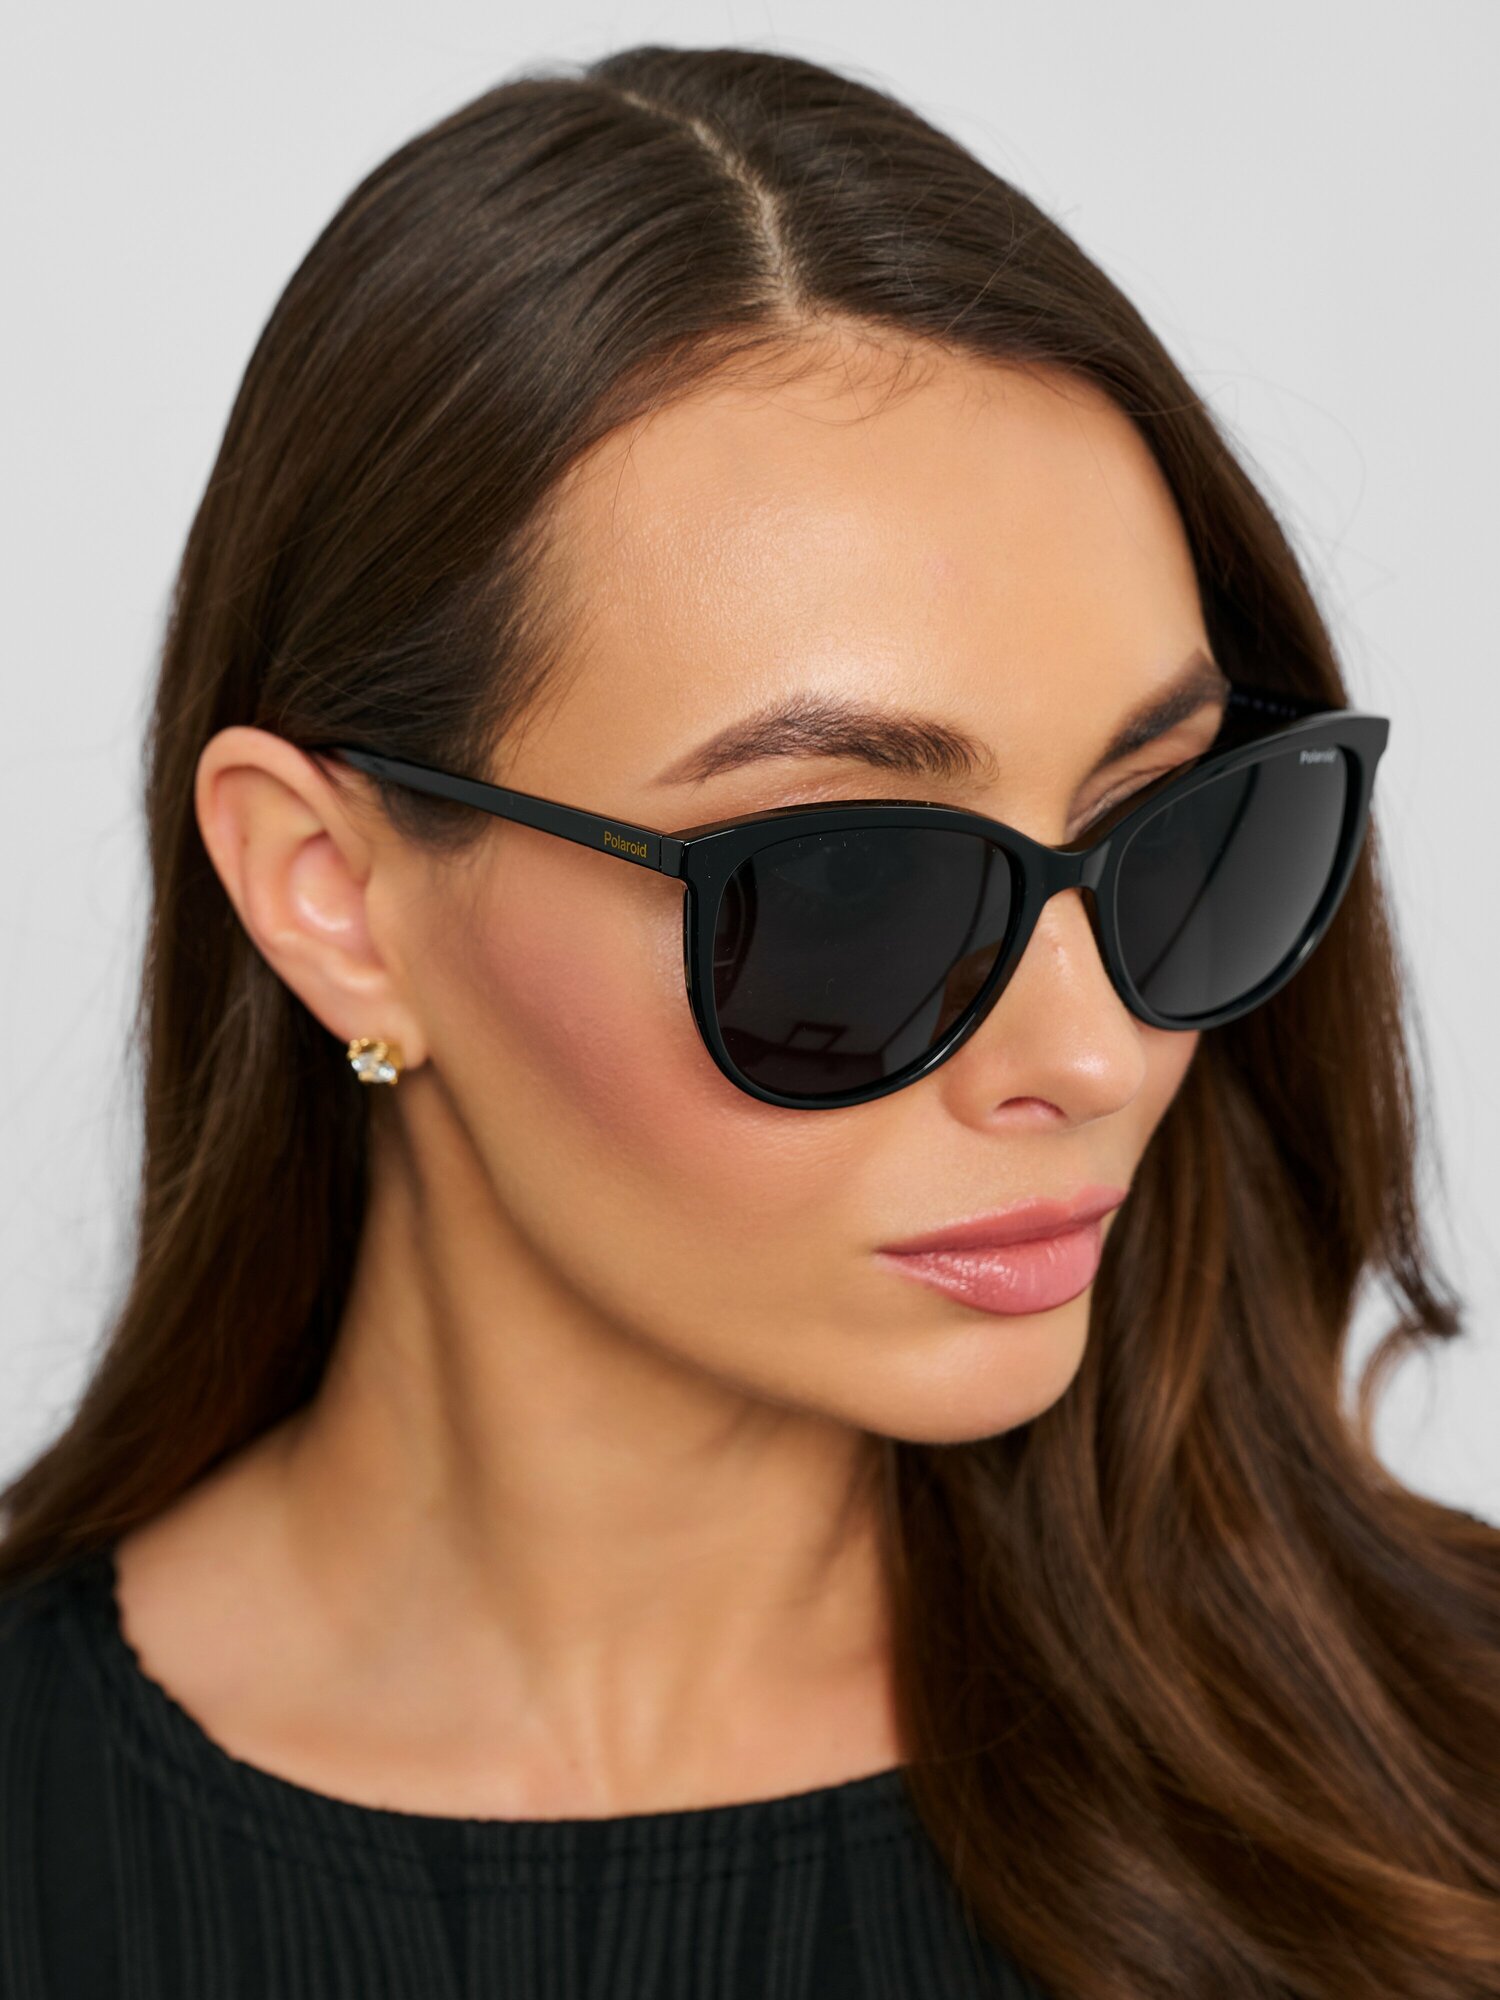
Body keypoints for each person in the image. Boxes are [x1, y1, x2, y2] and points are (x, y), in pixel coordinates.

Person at [2, 41, 1497, 2000]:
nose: (1093, 1057)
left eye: (1175, 826)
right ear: (334, 897)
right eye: (851, 892)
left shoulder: (1444, 1775)